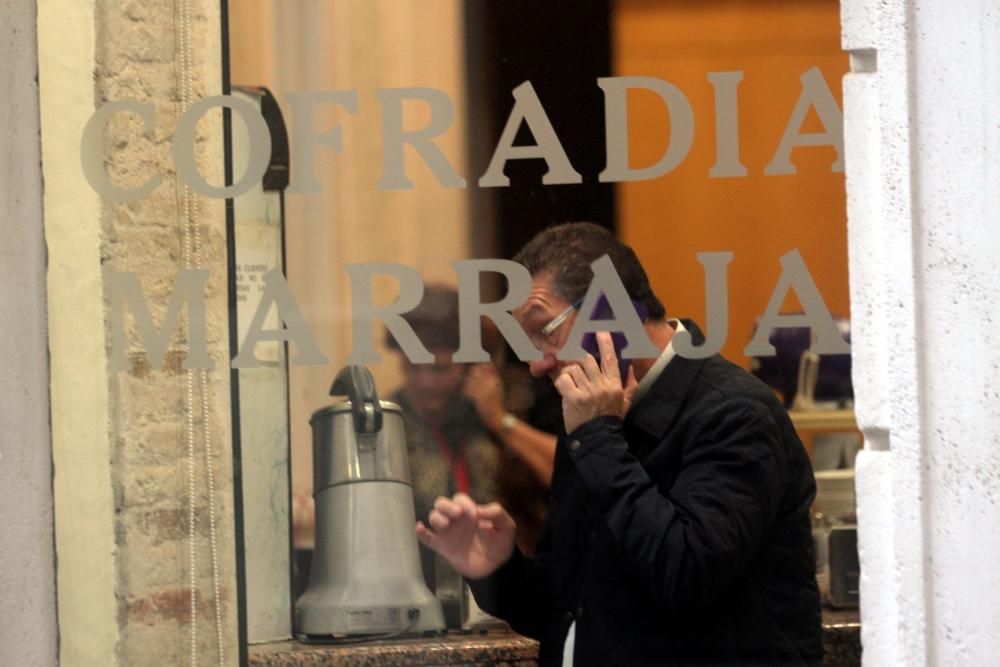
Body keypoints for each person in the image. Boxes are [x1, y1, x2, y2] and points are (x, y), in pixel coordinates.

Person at [416, 223, 823, 665]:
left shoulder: (734, 413)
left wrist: (598, 439)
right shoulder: (592, 417)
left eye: (545, 332)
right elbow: (573, 610)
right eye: (527, 343)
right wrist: (498, 569)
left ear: (612, 314)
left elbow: (685, 579)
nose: (537, 364)